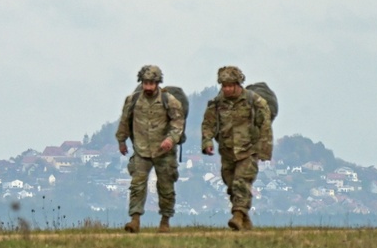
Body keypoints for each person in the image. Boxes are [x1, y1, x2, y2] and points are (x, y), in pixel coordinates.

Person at [200, 66, 273, 231]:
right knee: (231, 185)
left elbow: (265, 126)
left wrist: (264, 150)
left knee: (241, 182)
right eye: (224, 85)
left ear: (238, 84)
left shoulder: (254, 101)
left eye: (230, 85)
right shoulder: (217, 103)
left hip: (248, 150)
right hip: (227, 151)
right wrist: (207, 142)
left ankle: (237, 214)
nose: (226, 89)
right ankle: (244, 219)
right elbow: (208, 124)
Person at [116, 65, 185, 233]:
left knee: (166, 188)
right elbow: (125, 121)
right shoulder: (132, 100)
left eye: (151, 83)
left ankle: (165, 221)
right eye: (145, 83)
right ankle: (135, 220)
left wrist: (170, 139)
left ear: (157, 83)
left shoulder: (170, 101)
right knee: (137, 186)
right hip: (141, 150)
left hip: (164, 152)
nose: (148, 87)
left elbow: (178, 123)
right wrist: (121, 140)